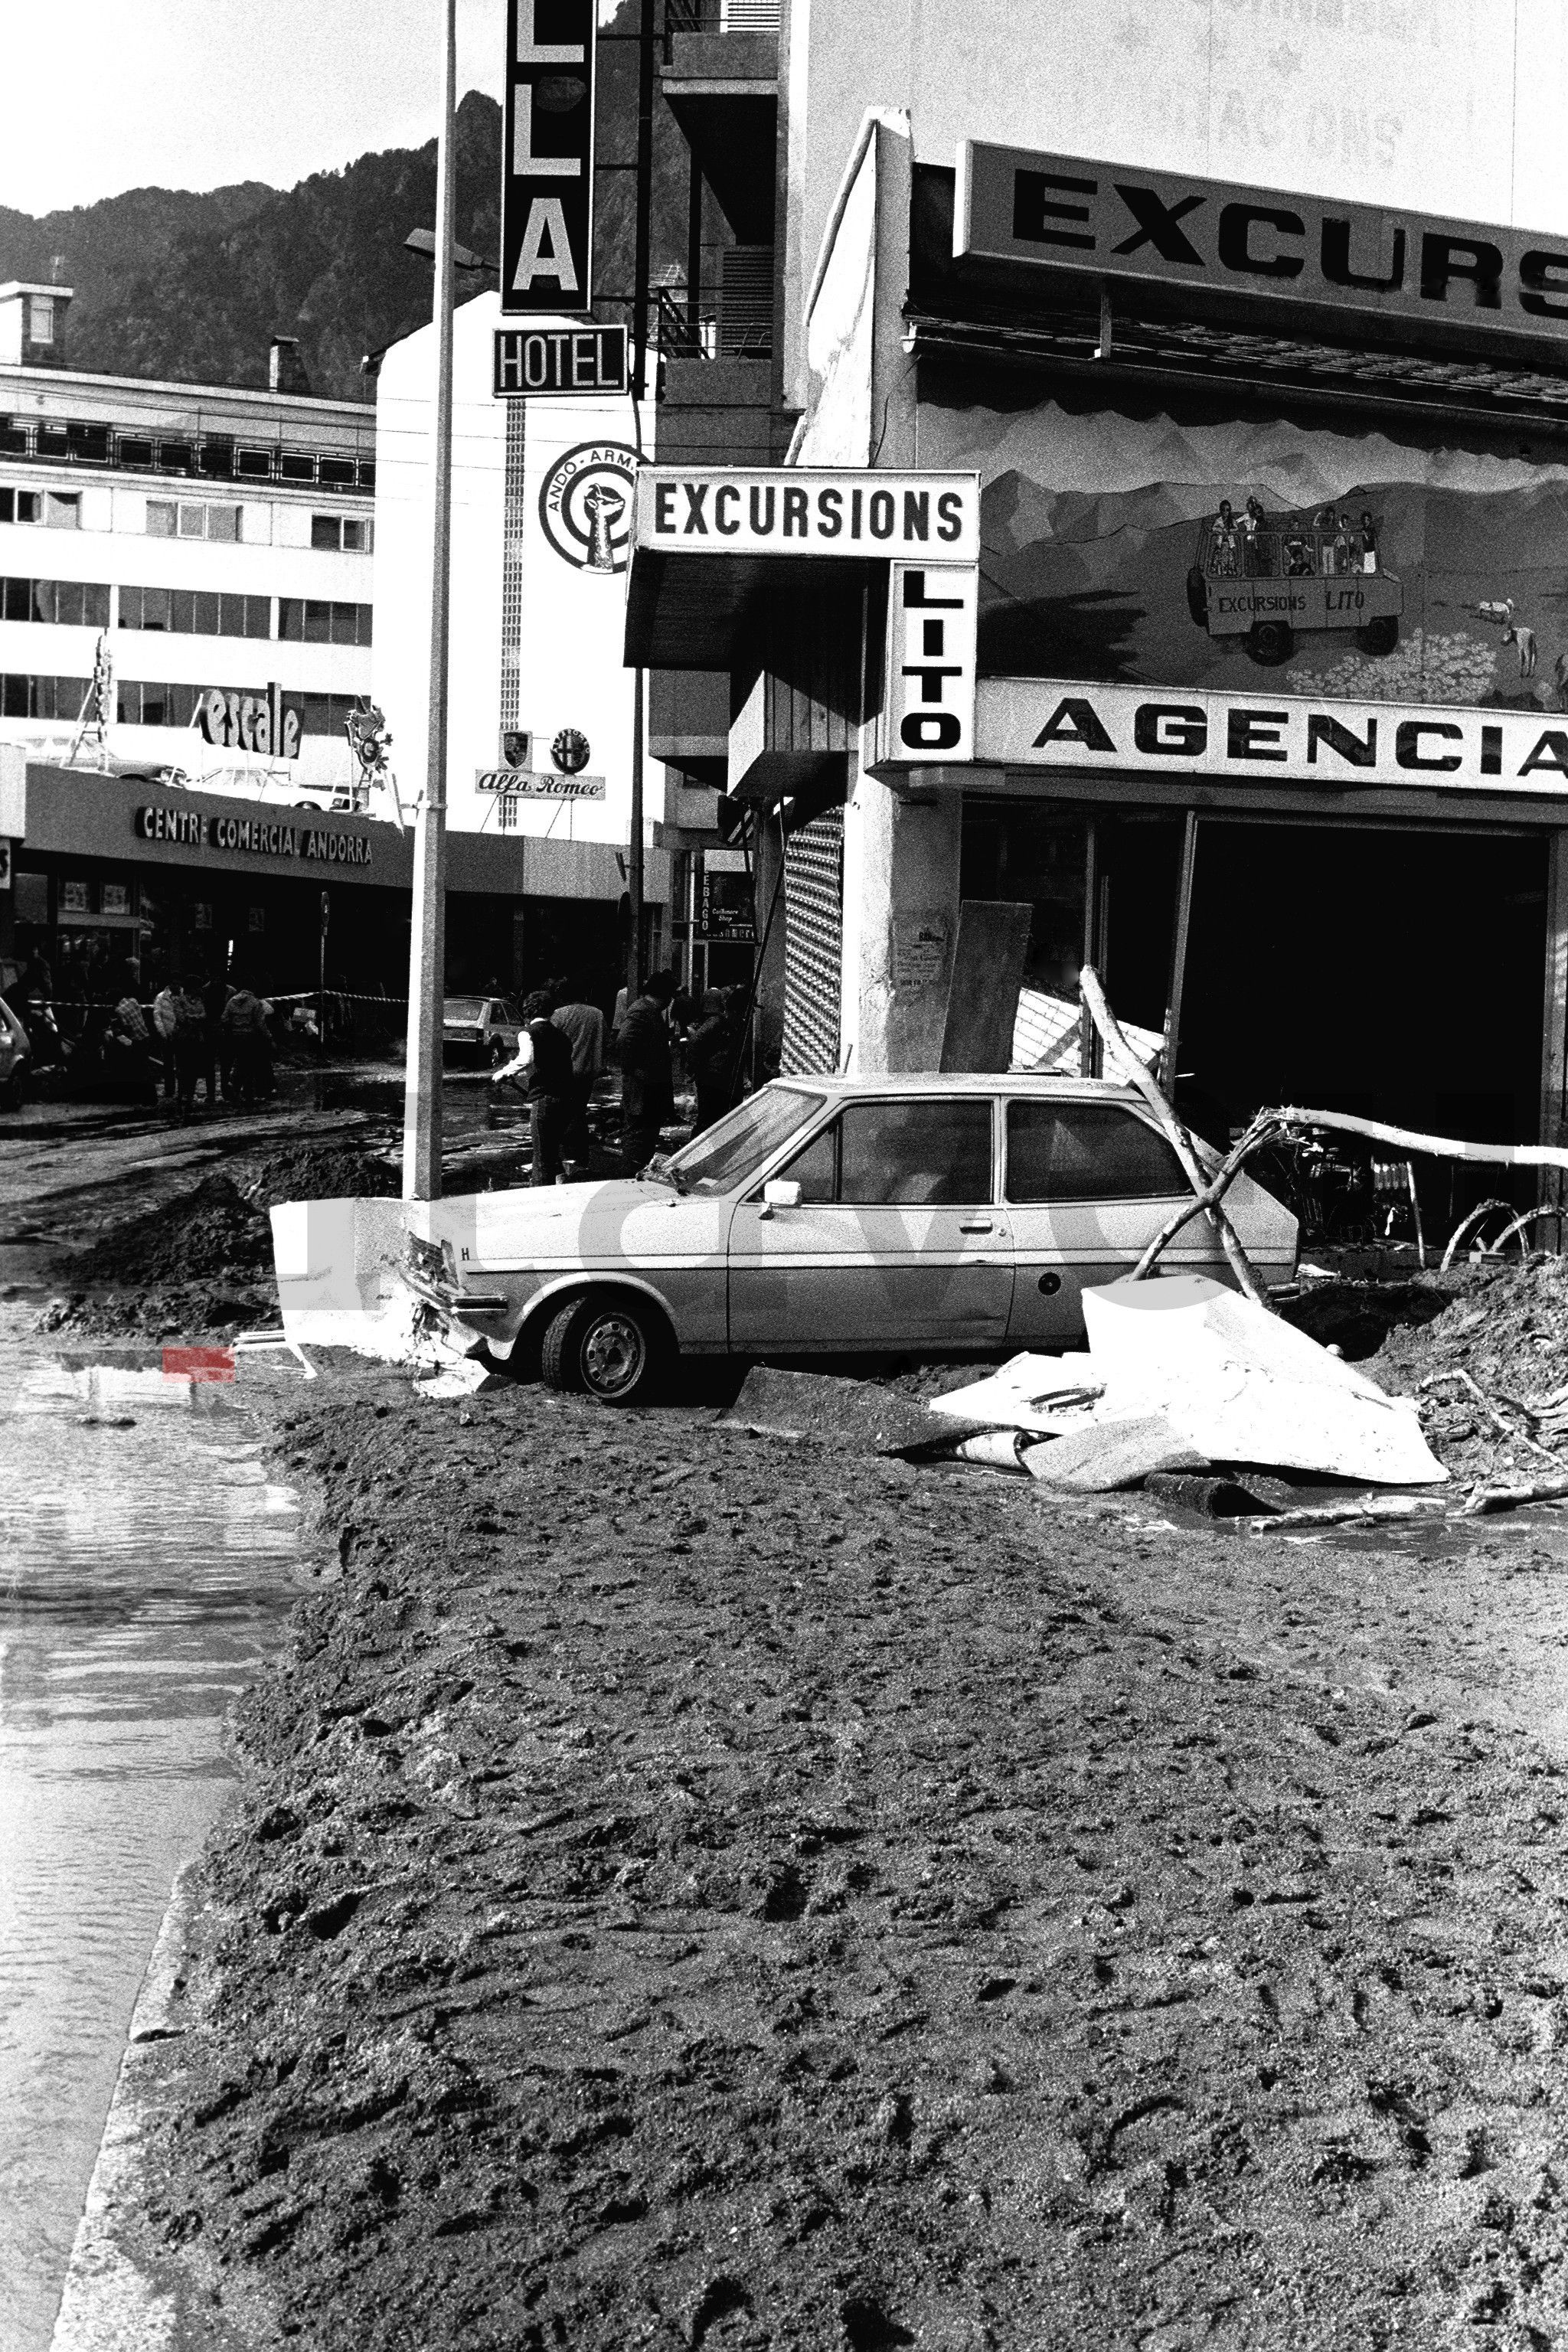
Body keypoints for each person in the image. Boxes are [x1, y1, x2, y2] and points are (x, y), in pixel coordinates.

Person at [492, 988, 575, 1184]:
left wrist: (504, 1072)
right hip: (566, 1099)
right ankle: (560, 1189)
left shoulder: (527, 1033)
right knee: (552, 1152)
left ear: (527, 1012)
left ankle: (539, 1192)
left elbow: (527, 1059)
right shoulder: (562, 1036)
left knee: (541, 1158)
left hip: (545, 1099)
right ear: (551, 1012)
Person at [615, 969, 675, 1174]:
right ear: (666, 996)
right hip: (642, 1086)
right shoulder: (641, 1011)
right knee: (638, 1136)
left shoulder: (648, 1011)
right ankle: (631, 1174)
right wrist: (634, 1070)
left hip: (650, 1086)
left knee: (645, 1134)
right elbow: (624, 1041)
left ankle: (637, 1171)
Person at [550, 977, 606, 1171]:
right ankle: (580, 1157)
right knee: (579, 1110)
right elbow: (604, 1040)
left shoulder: (559, 1014)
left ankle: (571, 1157)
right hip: (589, 1070)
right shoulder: (597, 1014)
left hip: (565, 1070)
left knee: (566, 1113)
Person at [686, 988, 736, 1133]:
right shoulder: (716, 1021)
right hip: (712, 1075)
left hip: (710, 1073)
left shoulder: (712, 1021)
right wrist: (694, 1067)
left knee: (708, 1114)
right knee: (708, 1115)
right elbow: (696, 1041)